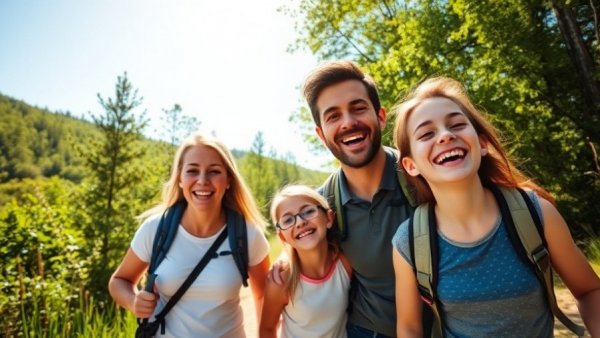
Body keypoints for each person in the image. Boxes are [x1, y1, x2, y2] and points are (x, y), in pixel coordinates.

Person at [391, 76, 600, 337]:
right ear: (411, 166)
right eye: (426, 133)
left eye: (456, 124)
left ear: (482, 143)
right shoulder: (408, 242)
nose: (445, 136)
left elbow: (590, 291)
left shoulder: (537, 213)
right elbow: (410, 328)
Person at [273, 60, 431, 337]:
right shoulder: (321, 207)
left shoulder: (424, 176)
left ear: (380, 116)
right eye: (333, 116)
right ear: (321, 135)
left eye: (358, 108)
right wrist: (287, 262)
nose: (348, 122)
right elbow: (308, 260)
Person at [108, 133, 270, 337]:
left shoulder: (247, 234)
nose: (203, 180)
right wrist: (133, 302)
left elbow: (265, 297)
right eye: (192, 171)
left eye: (214, 171)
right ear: (180, 179)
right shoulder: (155, 229)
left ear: (228, 180)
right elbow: (119, 281)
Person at [260, 184, 352, 338]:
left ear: (329, 218)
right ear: (283, 237)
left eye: (308, 211)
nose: (299, 222)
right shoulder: (281, 281)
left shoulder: (345, 263)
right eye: (288, 220)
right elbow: (267, 330)